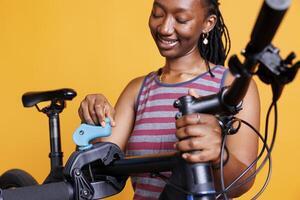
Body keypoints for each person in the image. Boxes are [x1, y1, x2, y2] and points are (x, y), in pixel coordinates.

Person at [78, 0, 260, 199]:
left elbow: (242, 183)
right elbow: (98, 168)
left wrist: (218, 156)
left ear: (208, 23)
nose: (164, 28)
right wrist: (94, 116)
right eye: (157, 14)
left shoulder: (234, 88)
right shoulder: (137, 90)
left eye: (181, 19)